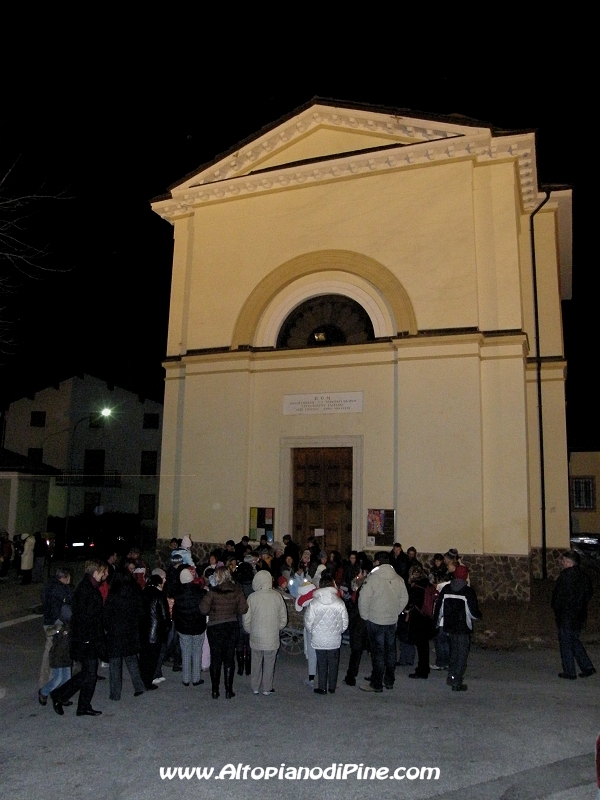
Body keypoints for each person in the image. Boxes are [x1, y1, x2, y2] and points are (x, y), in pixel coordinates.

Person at [50, 559, 109, 717]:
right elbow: (84, 617)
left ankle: (79, 704)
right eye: (102, 571)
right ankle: (63, 697)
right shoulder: (86, 589)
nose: (105, 574)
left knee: (88, 674)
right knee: (89, 674)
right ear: (95, 572)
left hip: (88, 638)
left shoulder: (90, 587)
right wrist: (89, 637)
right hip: (86, 639)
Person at [359, 551, 408, 693]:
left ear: (377, 562)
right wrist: (396, 611)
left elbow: (364, 599)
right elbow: (404, 598)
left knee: (378, 652)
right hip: (391, 620)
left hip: (375, 619)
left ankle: (376, 683)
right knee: (391, 650)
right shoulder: (398, 579)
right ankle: (389, 680)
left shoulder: (373, 579)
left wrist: (365, 616)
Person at [199, 566, 248, 699]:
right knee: (229, 658)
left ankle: (215, 691)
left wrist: (213, 610)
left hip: (215, 626)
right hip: (231, 625)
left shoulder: (212, 592)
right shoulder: (237, 590)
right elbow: (244, 609)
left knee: (215, 658)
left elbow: (203, 609)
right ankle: (228, 690)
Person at [434, 564, 481, 692]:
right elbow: (472, 612)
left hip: (449, 625)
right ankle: (456, 681)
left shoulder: (447, 589)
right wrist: (478, 616)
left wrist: (437, 624)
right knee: (462, 654)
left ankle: (451, 675)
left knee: (454, 652)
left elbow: (439, 608)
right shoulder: (468, 592)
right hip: (463, 627)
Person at [551, 549, 595, 680]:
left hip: (566, 616)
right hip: (579, 615)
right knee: (574, 640)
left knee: (566, 643)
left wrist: (557, 609)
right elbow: (589, 593)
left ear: (569, 563)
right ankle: (587, 667)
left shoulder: (565, 577)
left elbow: (557, 598)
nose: (561, 563)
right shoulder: (583, 577)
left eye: (563, 561)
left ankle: (570, 672)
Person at [103, 571, 147, 700]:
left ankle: (115, 693)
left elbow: (106, 615)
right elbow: (140, 612)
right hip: (130, 631)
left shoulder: (113, 596)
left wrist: (107, 627)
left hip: (115, 632)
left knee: (115, 663)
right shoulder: (135, 593)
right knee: (132, 660)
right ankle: (139, 686)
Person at [243, 570, 287, 695]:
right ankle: (267, 687)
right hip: (272, 636)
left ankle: (255, 686)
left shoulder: (252, 597)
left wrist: (249, 629)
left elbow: (246, 618)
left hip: (256, 635)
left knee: (256, 661)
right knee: (269, 662)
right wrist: (277, 627)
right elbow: (283, 617)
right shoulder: (277, 596)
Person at [304, 575, 348, 694]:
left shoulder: (314, 603)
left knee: (321, 662)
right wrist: (339, 631)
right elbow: (345, 622)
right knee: (334, 663)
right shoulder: (339, 603)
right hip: (334, 639)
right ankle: (332, 687)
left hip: (319, 638)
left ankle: (322, 687)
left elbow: (308, 622)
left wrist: (314, 631)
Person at [173, 568, 207, 687]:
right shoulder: (200, 593)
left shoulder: (177, 595)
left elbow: (175, 612)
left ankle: (186, 679)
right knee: (197, 651)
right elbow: (205, 610)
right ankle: (196, 678)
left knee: (185, 652)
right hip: (198, 626)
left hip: (183, 627)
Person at [40, 567, 74, 688]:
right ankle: (50, 683)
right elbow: (69, 600)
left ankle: (48, 681)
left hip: (49, 621)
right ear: (64, 577)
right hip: (56, 623)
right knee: (55, 652)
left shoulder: (49, 586)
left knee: (50, 650)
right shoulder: (60, 589)